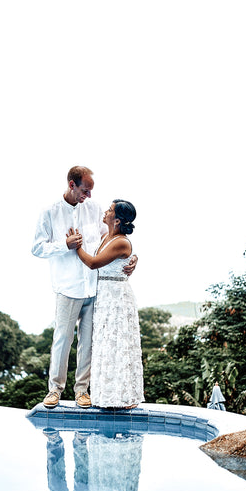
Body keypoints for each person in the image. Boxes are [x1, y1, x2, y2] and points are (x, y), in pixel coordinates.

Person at [31, 167, 137, 409]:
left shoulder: (94, 209)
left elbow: (110, 239)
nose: (88, 196)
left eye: (90, 191)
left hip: (95, 288)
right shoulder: (49, 212)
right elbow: (37, 248)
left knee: (88, 342)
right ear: (72, 185)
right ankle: (55, 390)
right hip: (67, 287)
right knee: (62, 340)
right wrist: (64, 245)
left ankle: (82, 391)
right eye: (85, 190)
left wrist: (132, 258)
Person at [71, 199, 144, 408]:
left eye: (110, 210)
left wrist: (77, 248)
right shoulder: (105, 236)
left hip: (118, 299)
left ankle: (124, 397)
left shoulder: (122, 242)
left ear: (118, 220)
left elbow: (93, 263)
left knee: (119, 344)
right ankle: (106, 395)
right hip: (103, 297)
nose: (105, 211)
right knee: (105, 345)